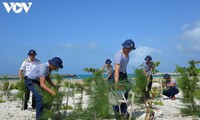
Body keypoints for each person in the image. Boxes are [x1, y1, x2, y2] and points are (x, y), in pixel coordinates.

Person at [110, 39, 136, 118]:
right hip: (117, 75)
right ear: (124, 46)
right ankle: (117, 115)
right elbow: (117, 69)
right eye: (128, 48)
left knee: (126, 91)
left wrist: (125, 77)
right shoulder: (119, 54)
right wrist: (117, 83)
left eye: (130, 49)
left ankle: (124, 111)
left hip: (124, 74)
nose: (129, 50)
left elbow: (124, 67)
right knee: (117, 96)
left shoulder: (128, 55)